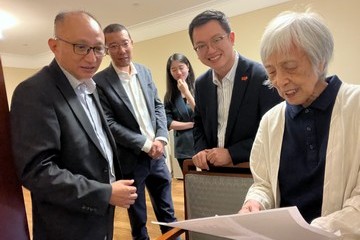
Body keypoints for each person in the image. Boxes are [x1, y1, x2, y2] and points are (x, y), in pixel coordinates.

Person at [10, 11, 138, 240]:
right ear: (54, 45)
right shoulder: (34, 92)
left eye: (99, 49)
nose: (92, 58)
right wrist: (104, 193)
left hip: (101, 217)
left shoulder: (90, 86)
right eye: (81, 47)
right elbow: (37, 172)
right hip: (66, 226)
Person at [239, 11, 360, 239]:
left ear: (320, 60)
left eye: (290, 67)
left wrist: (316, 231)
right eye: (271, 71)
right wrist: (255, 202)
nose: (280, 81)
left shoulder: (355, 106)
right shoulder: (271, 121)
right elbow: (263, 184)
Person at [93, 24, 178, 240]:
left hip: (158, 155)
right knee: (138, 217)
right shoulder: (100, 82)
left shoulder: (145, 71)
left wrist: (160, 138)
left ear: (132, 43)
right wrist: (146, 144)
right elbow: (108, 123)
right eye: (113, 46)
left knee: (167, 212)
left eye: (124, 43)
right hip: (131, 160)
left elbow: (158, 106)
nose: (121, 50)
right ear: (105, 50)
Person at [188, 10, 282, 170]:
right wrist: (202, 150)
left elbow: (275, 131)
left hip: (254, 174)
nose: (210, 50)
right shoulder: (201, 84)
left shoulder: (261, 76)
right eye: (201, 46)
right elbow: (198, 125)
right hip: (214, 174)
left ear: (231, 38)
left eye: (216, 39)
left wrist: (232, 153)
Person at [164, 53, 196, 170]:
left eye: (181, 68)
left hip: (201, 143)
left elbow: (202, 114)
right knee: (189, 182)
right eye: (173, 69)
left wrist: (186, 93)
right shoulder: (169, 96)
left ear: (187, 66)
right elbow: (168, 123)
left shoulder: (199, 87)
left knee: (208, 181)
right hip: (183, 146)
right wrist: (191, 124)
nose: (178, 72)